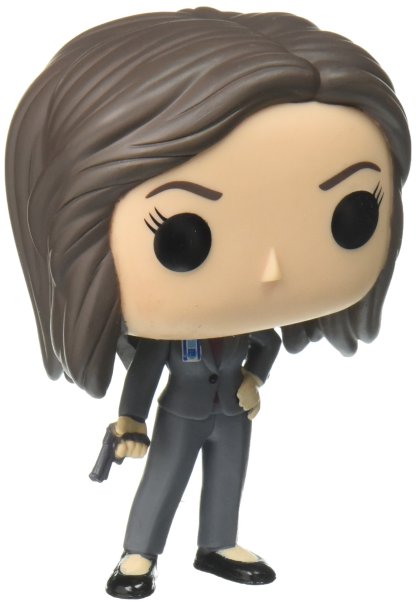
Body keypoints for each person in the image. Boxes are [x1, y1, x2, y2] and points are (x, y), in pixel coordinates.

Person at [5, 7, 410, 600]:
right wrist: (131, 419)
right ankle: (138, 555)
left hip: (232, 411)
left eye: (353, 215)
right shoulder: (174, 338)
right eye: (182, 235)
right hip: (182, 412)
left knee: (230, 474)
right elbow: (145, 367)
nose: (272, 271)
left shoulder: (246, 328)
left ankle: (217, 544)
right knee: (165, 479)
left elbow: (266, 342)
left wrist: (254, 378)